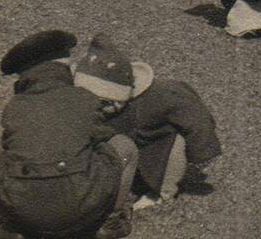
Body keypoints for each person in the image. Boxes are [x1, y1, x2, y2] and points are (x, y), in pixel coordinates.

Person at [0, 30, 139, 239]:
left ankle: (12, 225)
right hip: (81, 206)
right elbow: (104, 138)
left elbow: (11, 147)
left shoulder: (15, 106)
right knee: (124, 146)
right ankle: (110, 222)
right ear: (63, 70)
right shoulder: (83, 98)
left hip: (27, 212)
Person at [73, 33, 223, 209]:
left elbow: (196, 116)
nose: (112, 107)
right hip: (125, 141)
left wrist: (201, 150)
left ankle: (162, 193)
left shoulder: (163, 95)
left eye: (118, 101)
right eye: (104, 103)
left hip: (158, 140)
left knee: (170, 156)